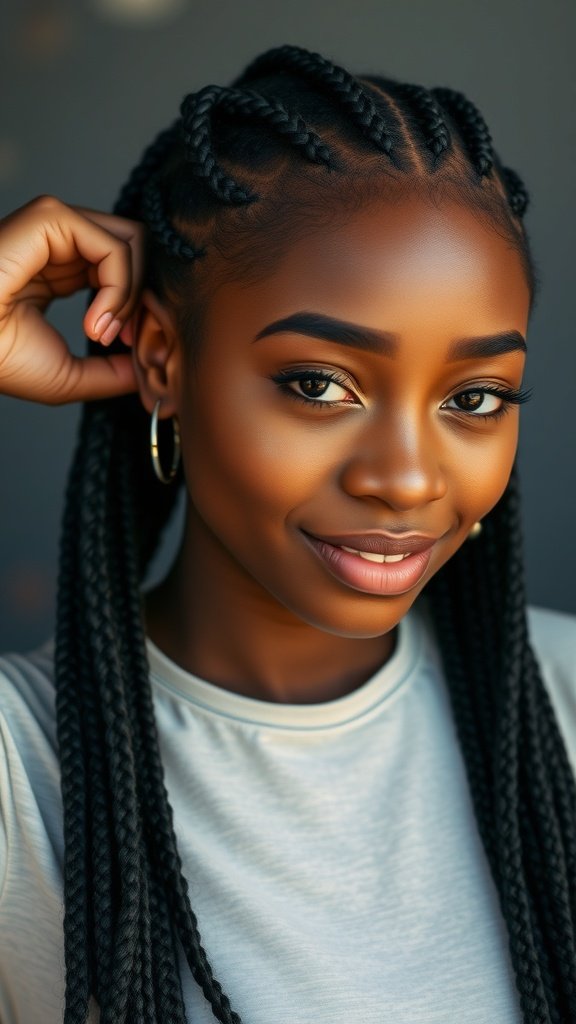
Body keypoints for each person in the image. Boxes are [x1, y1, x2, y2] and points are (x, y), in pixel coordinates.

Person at [0, 42, 575, 1024]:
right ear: (163, 360)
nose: (404, 477)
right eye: (319, 385)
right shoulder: (22, 769)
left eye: (476, 396)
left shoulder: (564, 694)